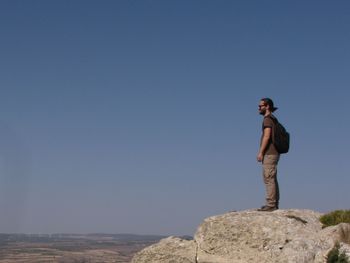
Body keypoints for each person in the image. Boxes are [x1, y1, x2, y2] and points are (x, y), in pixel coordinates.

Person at [257, 98, 280, 212]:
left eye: (261, 106)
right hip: (274, 153)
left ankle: (271, 204)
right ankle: (274, 203)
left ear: (267, 107)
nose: (259, 108)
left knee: (268, 177)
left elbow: (267, 136)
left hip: (270, 152)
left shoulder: (267, 119)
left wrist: (261, 152)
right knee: (272, 178)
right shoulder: (273, 119)